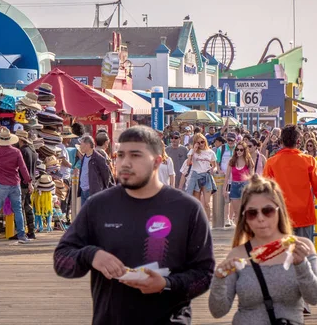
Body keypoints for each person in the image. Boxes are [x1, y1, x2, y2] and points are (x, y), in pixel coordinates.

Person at [53, 126, 215, 324]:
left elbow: (205, 275)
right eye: (120, 155)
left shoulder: (187, 208)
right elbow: (61, 260)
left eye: (135, 155)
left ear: (157, 162)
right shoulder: (98, 206)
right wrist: (90, 255)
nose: (125, 163)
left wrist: (167, 284)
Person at [209, 175, 317, 324]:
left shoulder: (302, 247)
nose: (260, 218)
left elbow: (314, 298)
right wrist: (218, 279)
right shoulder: (237, 254)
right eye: (252, 213)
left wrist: (302, 266)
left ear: (279, 210)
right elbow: (218, 311)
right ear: (245, 217)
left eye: (267, 211)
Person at [264, 125, 317, 241]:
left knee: (281, 255)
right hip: (304, 215)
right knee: (304, 255)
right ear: (298, 141)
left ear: (281, 141)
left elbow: (265, 192)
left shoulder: (271, 163)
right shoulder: (309, 161)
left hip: (280, 216)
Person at [186, 133, 217, 220]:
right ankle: (198, 221)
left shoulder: (211, 152)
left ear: (205, 141)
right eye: (198, 142)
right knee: (197, 202)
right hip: (196, 176)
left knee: (207, 203)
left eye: (202, 142)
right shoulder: (192, 152)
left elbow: (214, 165)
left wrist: (212, 170)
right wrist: (193, 150)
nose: (201, 144)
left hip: (206, 176)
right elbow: (188, 163)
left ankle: (207, 222)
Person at [223, 141, 254, 223]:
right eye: (237, 149)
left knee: (245, 212)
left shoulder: (248, 161)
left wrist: (253, 189)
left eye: (241, 150)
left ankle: (246, 231)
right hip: (234, 186)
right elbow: (227, 176)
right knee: (237, 213)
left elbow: (252, 176)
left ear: (245, 151)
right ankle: (238, 232)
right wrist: (224, 189)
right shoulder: (232, 161)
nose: (239, 151)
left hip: (246, 187)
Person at [78, 134, 112, 206]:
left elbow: (106, 175)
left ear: (87, 145)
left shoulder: (99, 158)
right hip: (83, 190)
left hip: (92, 191)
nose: (80, 146)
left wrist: (101, 188)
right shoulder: (84, 157)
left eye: (81, 144)